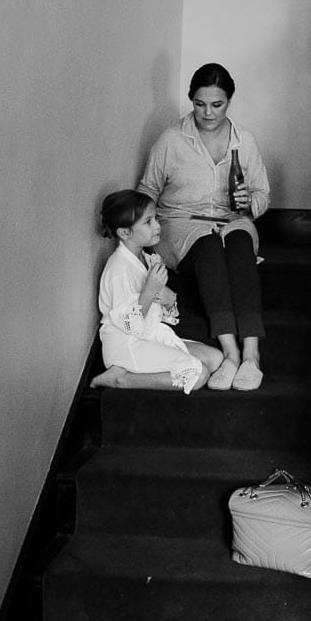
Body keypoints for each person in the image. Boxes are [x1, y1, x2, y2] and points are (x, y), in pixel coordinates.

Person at [139, 63, 270, 391]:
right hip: (181, 223)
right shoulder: (171, 140)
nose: (208, 113)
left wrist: (248, 202)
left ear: (229, 102)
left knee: (239, 246)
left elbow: (263, 193)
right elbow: (147, 191)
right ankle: (230, 353)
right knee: (210, 249)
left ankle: (252, 355)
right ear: (191, 100)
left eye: (217, 104)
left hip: (232, 221)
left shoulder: (245, 141)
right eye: (199, 104)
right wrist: (139, 236)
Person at [90, 189, 225, 392]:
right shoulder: (119, 270)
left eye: (155, 219)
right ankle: (121, 378)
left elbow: (157, 309)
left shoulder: (147, 258)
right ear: (125, 233)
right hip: (127, 343)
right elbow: (128, 325)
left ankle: (140, 369)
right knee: (198, 374)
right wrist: (149, 291)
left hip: (149, 334)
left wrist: (169, 300)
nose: (157, 226)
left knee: (215, 358)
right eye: (148, 222)